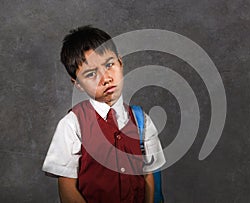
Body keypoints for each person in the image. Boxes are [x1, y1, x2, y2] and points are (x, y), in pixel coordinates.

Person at [42, 25, 166, 203]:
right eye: (91, 74)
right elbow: (67, 187)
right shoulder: (72, 124)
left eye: (109, 65)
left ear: (120, 63)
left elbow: (148, 175)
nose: (105, 78)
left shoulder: (142, 121)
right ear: (77, 84)